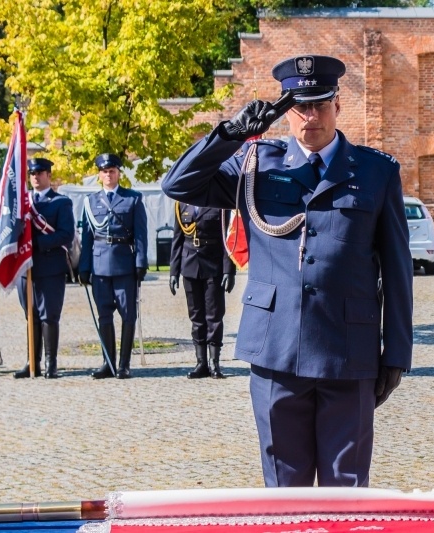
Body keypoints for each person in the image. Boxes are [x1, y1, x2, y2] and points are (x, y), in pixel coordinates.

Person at [161, 55, 413, 487]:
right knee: (284, 485)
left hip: (348, 352)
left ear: (338, 104)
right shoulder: (256, 165)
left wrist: (396, 354)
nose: (309, 116)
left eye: (319, 104)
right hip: (275, 350)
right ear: (285, 110)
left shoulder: (375, 172)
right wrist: (230, 135)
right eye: (298, 106)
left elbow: (396, 269)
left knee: (346, 485)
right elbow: (179, 184)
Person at [78, 153, 148, 379]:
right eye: (104, 171)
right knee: (104, 315)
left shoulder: (132, 199)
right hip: (99, 267)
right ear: (99, 175)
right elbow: (87, 237)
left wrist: (140, 262)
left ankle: (123, 364)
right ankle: (107, 363)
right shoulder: (90, 202)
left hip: (124, 265)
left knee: (128, 315)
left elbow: (140, 235)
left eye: (112, 171)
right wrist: (84, 267)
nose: (108, 175)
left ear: (118, 173)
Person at [14, 158, 76, 379]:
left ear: (49, 175)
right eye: (32, 173)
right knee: (30, 316)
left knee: (49, 316)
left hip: (50, 266)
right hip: (26, 267)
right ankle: (33, 361)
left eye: (40, 173)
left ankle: (51, 363)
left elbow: (66, 235)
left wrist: (38, 243)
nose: (35, 177)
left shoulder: (61, 202)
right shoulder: (22, 203)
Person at [170, 203, 236, 379]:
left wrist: (229, 270)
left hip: (213, 266)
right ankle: (201, 363)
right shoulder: (181, 204)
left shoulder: (219, 204)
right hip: (189, 265)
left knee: (214, 316)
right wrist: (173, 272)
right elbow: (177, 239)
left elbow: (227, 237)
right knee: (196, 316)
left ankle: (215, 363)